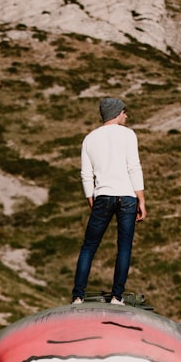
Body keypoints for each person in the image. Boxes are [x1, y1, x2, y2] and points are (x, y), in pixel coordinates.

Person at [71, 97, 146, 305]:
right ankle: (117, 296)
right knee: (124, 247)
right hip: (127, 196)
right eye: (124, 112)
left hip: (102, 195)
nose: (126, 116)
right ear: (117, 113)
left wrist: (91, 199)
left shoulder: (90, 139)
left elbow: (86, 174)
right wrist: (142, 200)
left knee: (89, 247)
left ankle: (78, 295)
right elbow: (134, 167)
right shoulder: (129, 135)